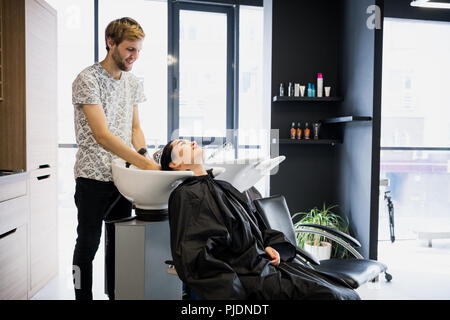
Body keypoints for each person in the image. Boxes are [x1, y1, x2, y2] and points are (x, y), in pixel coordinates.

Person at [159, 139, 360, 300]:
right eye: (182, 144)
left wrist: (273, 246)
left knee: (342, 291)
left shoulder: (223, 187)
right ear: (173, 164)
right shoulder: (185, 195)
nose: (192, 143)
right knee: (331, 295)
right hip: (248, 276)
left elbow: (258, 224)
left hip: (267, 265)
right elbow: (195, 256)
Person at [71, 17, 160, 300]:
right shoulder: (87, 79)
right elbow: (102, 135)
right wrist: (145, 164)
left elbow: (135, 128)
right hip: (92, 177)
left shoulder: (133, 82)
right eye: (129, 49)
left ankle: (117, 295)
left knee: (119, 246)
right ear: (111, 43)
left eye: (138, 51)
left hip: (122, 178)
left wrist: (143, 157)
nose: (134, 57)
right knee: (88, 244)